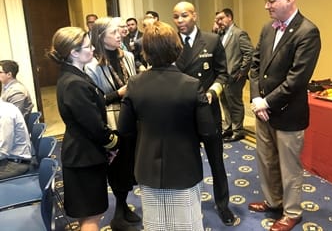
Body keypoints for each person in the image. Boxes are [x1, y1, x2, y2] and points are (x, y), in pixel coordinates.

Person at [119, 21, 217, 231]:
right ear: (177, 48)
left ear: (145, 51)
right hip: (184, 166)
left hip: (147, 166)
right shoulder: (191, 85)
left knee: (155, 224)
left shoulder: (135, 83)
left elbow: (125, 129)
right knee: (186, 223)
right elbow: (207, 130)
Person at [248, 0, 321, 231]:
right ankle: (273, 201)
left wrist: (266, 101)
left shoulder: (308, 31)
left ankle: (291, 212)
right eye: (267, 0)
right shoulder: (268, 29)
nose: (266, 5)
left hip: (288, 113)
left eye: (271, 1)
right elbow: (255, 66)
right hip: (263, 112)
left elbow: (297, 79)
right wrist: (258, 100)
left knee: (289, 168)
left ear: (289, 0)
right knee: (266, 160)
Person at [47, 26, 119, 231]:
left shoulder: (73, 75)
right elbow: (93, 125)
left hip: (83, 154)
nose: (93, 49)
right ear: (73, 52)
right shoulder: (74, 83)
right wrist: (114, 143)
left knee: (87, 213)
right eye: (88, 46)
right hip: (84, 157)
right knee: (92, 216)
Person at [172, 1, 237, 226]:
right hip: (182, 113)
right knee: (187, 163)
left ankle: (223, 204)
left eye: (184, 16)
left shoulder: (211, 40)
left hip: (207, 110)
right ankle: (189, 203)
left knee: (216, 161)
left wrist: (213, 92)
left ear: (194, 16)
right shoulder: (170, 43)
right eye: (176, 17)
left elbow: (222, 74)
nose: (180, 21)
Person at [85, 17, 140, 231]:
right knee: (117, 166)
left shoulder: (128, 56)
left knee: (129, 165)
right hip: (111, 121)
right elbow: (95, 101)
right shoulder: (91, 65)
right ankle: (119, 211)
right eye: (113, 32)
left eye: (120, 31)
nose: (119, 35)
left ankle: (123, 206)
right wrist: (119, 93)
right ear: (100, 36)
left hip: (131, 117)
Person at [215, 8, 254, 142]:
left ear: (229, 17)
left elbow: (249, 53)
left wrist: (242, 72)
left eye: (221, 19)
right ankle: (228, 128)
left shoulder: (239, 33)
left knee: (235, 103)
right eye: (217, 20)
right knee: (225, 102)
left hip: (235, 76)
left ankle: (238, 131)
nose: (218, 22)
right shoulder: (220, 34)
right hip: (222, 76)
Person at [0, 100, 32, 180]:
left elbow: (3, 151)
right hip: (9, 159)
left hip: (14, 164)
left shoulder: (5, 114)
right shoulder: (5, 107)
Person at [0, 60, 34, 124]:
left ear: (9, 74)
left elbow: (11, 118)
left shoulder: (17, 92)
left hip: (14, 129)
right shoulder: (5, 85)